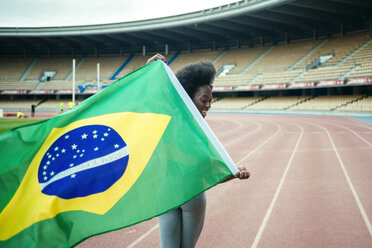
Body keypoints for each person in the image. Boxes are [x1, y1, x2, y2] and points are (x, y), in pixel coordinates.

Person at [147, 53, 250, 248]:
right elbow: (150, 104)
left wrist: (235, 172)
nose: (208, 106)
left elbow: (210, 171)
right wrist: (151, 69)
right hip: (179, 196)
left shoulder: (188, 125)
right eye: (204, 100)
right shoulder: (181, 123)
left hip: (176, 195)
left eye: (211, 101)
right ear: (188, 96)